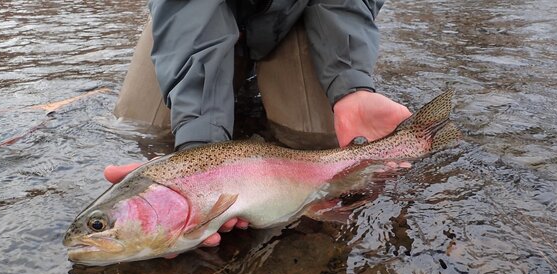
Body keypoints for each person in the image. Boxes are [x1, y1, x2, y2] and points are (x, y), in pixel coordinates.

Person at [105, 0, 412, 248]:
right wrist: (198, 150)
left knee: (318, 136)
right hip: (185, 16)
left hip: (299, 18)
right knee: (143, 126)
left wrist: (351, 84)